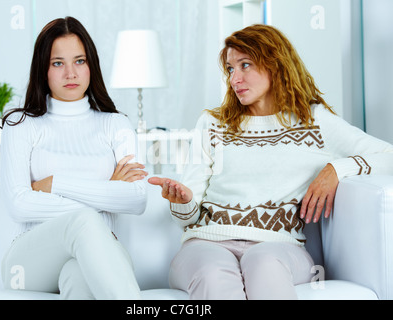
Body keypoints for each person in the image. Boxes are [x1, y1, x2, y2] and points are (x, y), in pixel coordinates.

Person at [148, 24, 393, 300]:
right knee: (212, 274)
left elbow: (388, 156)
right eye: (230, 69)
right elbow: (188, 217)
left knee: (264, 263)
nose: (234, 79)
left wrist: (337, 169)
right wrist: (182, 201)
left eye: (245, 65)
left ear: (274, 65)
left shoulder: (315, 122)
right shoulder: (213, 124)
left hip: (279, 247)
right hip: (206, 243)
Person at [0, 17, 147, 300]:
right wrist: (107, 190)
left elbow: (136, 199)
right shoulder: (21, 125)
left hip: (103, 253)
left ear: (91, 65)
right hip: (28, 262)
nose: (70, 73)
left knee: (79, 279)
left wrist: (54, 183)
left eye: (79, 61)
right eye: (58, 63)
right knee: (84, 221)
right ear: (43, 69)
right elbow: (19, 203)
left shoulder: (116, 125)